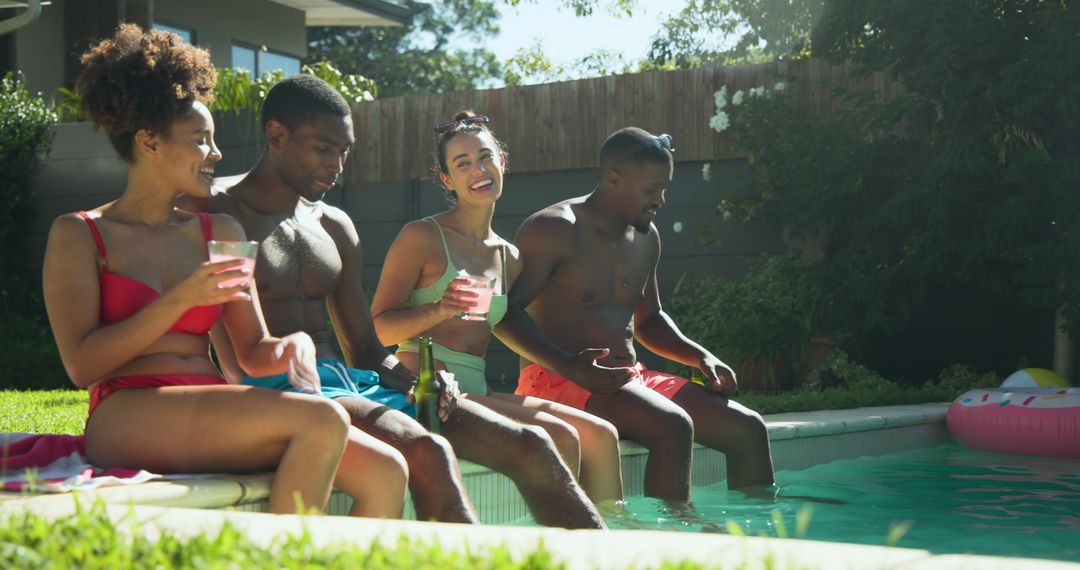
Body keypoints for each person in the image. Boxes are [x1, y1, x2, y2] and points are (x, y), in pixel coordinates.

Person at [199, 75, 605, 529]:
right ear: (277, 136)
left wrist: (419, 381)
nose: (336, 165)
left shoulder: (335, 225)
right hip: (276, 391)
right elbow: (219, 335)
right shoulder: (216, 211)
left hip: (351, 383)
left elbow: (368, 350)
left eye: (344, 151)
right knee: (427, 450)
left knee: (534, 446)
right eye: (323, 149)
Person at [42, 25, 407, 518]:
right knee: (321, 421)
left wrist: (291, 345)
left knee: (388, 470)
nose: (216, 154)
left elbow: (255, 354)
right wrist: (181, 299)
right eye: (200, 140)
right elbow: (82, 366)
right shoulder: (79, 233)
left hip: (211, 400)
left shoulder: (221, 228)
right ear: (149, 142)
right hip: (125, 410)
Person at [498, 127, 776, 501]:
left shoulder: (646, 237)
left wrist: (700, 356)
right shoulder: (554, 229)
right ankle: (670, 544)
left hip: (629, 380)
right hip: (557, 379)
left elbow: (649, 320)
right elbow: (503, 314)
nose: (660, 199)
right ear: (615, 178)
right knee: (672, 425)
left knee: (748, 428)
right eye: (651, 190)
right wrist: (569, 365)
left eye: (664, 188)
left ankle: (758, 542)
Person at [370, 112, 624, 504]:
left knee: (602, 436)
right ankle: (561, 549)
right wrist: (439, 309)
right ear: (446, 179)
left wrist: (569, 363)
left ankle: (623, 545)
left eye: (486, 157)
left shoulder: (510, 257)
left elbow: (506, 322)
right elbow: (377, 331)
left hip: (478, 388)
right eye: (463, 164)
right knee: (560, 436)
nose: (479, 170)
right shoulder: (421, 236)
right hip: (427, 390)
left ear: (502, 162)